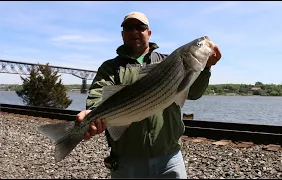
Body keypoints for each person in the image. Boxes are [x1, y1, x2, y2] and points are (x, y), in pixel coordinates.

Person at [76, 11, 222, 179]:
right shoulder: (110, 68)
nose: (134, 31)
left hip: (170, 157)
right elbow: (97, 96)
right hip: (127, 161)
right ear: (122, 34)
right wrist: (91, 113)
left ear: (149, 33)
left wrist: (206, 68)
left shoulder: (168, 61)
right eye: (129, 28)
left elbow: (194, 93)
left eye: (140, 27)